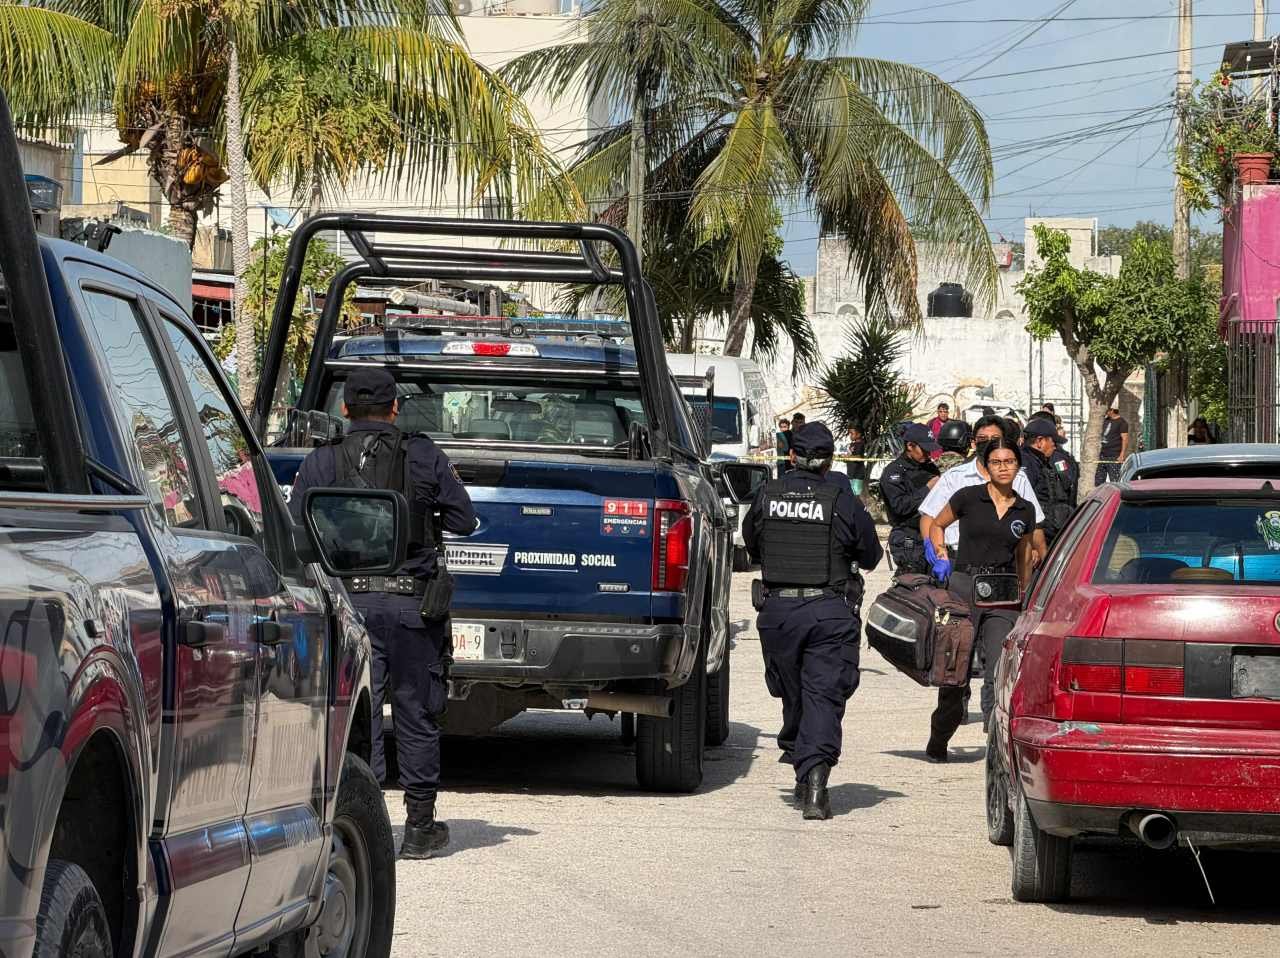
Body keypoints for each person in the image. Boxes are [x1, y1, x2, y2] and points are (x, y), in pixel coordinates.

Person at [290, 367, 477, 859]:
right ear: (395, 407)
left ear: (344, 408)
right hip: (413, 606)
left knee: (357, 715)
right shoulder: (423, 455)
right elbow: (465, 519)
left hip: (348, 608)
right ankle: (419, 828)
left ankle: (362, 827)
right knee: (417, 712)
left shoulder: (321, 460)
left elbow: (297, 533)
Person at [743, 422, 883, 820]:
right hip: (828, 612)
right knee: (822, 695)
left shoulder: (767, 495)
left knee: (795, 695)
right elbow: (871, 556)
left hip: (779, 615)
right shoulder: (841, 499)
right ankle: (815, 781)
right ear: (830, 460)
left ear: (791, 456)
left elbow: (753, 545)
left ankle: (804, 766)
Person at [918, 415, 1045, 729]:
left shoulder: (1023, 499)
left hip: (1002, 587)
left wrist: (1025, 590)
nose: (1003, 466)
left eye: (1009, 461)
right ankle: (944, 727)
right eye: (995, 458)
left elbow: (1026, 546)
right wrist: (938, 552)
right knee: (957, 661)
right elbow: (932, 520)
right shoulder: (962, 487)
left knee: (998, 664)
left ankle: (993, 731)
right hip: (964, 576)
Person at [879, 423, 941, 574]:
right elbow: (900, 506)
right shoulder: (894, 472)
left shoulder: (930, 468)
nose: (928, 454)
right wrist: (927, 489)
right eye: (924, 449)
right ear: (910, 446)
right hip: (909, 537)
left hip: (933, 533)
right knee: (912, 581)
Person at [1021, 417, 1076, 546]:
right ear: (1039, 441)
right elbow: (1023, 504)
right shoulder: (1027, 463)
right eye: (1053, 441)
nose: (1055, 446)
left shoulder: (1037, 461)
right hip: (1034, 538)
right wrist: (1031, 547)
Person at [1096, 406, 1129, 485]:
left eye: (1107, 410)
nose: (1105, 411)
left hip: (1114, 456)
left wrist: (1122, 455)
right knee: (1098, 481)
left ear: (1112, 410)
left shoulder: (1122, 422)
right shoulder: (1105, 420)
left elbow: (1125, 439)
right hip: (1101, 455)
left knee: (1115, 481)